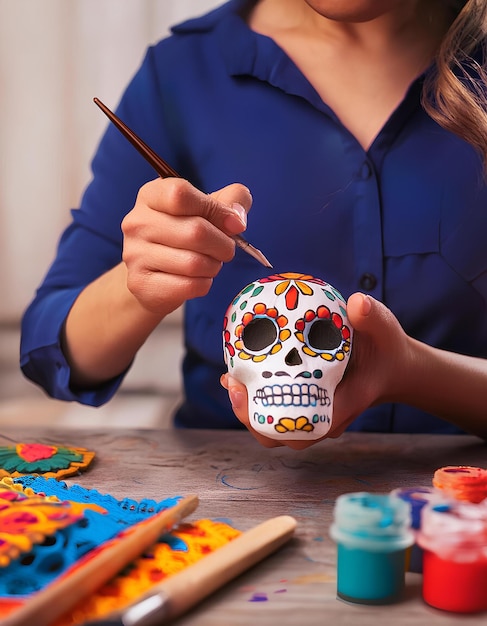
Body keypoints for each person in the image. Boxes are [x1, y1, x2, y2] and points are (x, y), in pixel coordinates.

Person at [20, 0, 487, 446]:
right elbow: (51, 350)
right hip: (228, 505)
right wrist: (140, 282)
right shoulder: (183, 72)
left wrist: (414, 373)